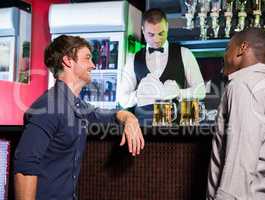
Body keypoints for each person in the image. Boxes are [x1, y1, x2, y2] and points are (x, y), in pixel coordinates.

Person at [14, 35, 145, 200]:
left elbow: (107, 115)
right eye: (87, 58)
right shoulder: (47, 107)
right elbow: (25, 168)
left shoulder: (77, 106)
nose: (93, 65)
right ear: (68, 61)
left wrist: (129, 118)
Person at [207, 27, 265, 200]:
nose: (224, 55)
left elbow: (239, 168)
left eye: (227, 48)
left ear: (242, 48)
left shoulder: (241, 86)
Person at [119, 8, 206, 108]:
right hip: (142, 123)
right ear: (143, 30)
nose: (156, 39)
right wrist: (139, 95)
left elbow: (201, 91)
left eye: (161, 33)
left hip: (174, 122)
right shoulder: (133, 59)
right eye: (151, 35)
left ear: (167, 27)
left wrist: (179, 93)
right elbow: (122, 100)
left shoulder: (184, 53)